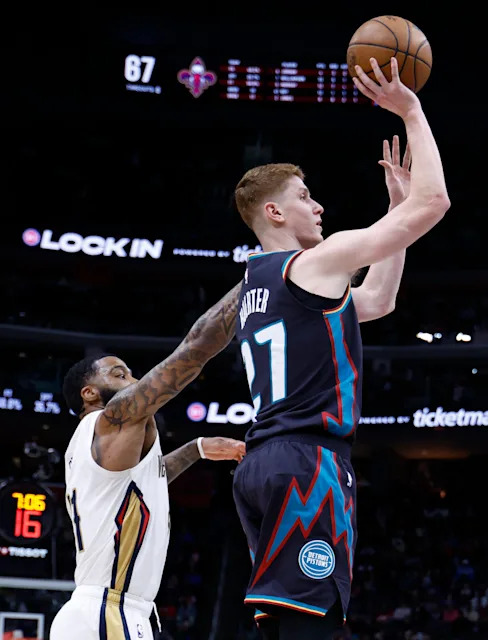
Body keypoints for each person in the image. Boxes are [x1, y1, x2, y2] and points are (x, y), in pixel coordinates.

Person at [230, 56, 450, 639]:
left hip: (265, 463)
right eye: (305, 197)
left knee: (285, 623)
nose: (319, 206)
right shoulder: (313, 264)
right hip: (307, 463)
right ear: (274, 211)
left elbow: (377, 300)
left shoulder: (256, 285)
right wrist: (412, 111)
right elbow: (434, 204)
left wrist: (394, 211)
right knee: (315, 628)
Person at [50, 284, 247, 640]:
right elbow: (196, 347)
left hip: (103, 610)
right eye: (119, 375)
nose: (134, 380)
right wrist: (255, 277)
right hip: (109, 610)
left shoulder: (92, 445)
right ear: (89, 393)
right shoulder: (111, 419)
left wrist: (197, 449)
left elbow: (141, 485)